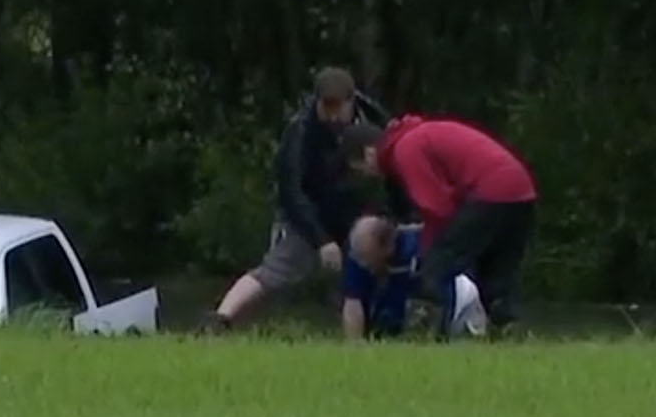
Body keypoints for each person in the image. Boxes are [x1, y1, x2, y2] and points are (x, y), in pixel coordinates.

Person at [199, 67, 390, 333]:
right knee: (277, 270)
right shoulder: (299, 131)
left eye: (339, 108)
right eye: (327, 107)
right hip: (308, 212)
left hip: (354, 212)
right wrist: (321, 239)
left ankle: (368, 336)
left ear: (351, 102)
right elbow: (291, 191)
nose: (333, 116)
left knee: (364, 275)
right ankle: (221, 319)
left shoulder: (372, 118)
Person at [340, 113, 536, 339]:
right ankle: (509, 331)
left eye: (361, 168)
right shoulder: (417, 136)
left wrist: (428, 251)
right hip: (521, 189)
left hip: (489, 189)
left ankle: (419, 333)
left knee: (433, 268)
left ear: (369, 151)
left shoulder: (405, 150)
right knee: (496, 274)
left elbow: (437, 208)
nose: (367, 175)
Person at [341, 215, 422, 340]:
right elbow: (353, 302)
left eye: (368, 258)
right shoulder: (358, 257)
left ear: (388, 247)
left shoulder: (417, 249)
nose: (364, 264)